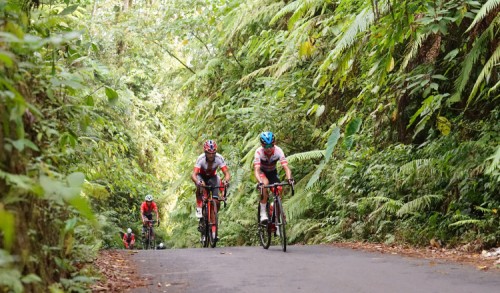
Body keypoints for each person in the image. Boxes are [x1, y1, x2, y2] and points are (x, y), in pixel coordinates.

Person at [254, 131, 294, 223]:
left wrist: (289, 178)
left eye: (271, 145)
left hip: (272, 172)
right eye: (266, 146)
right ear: (262, 145)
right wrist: (260, 182)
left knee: (278, 189)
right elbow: (256, 169)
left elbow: (286, 168)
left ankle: (274, 208)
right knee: (265, 184)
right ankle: (263, 213)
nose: (269, 149)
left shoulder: (278, 151)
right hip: (261, 172)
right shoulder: (258, 152)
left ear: (274, 143)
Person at [191, 140, 231, 219]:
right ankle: (199, 207)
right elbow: (193, 174)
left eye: (213, 153)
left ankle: (213, 216)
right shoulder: (201, 158)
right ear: (205, 152)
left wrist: (226, 181)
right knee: (200, 185)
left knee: (216, 200)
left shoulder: (219, 158)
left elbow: (227, 173)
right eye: (209, 153)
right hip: (201, 176)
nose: (211, 155)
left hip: (213, 177)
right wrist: (197, 182)